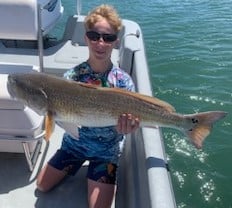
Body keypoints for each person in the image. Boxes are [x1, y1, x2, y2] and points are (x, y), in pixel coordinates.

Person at [36, 4, 140, 208]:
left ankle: (96, 174)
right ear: (86, 38)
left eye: (108, 38)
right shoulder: (71, 78)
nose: (100, 43)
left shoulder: (123, 82)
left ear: (115, 43)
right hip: (73, 148)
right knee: (41, 186)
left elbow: (130, 123)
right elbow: (59, 118)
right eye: (94, 36)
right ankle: (77, 168)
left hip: (106, 152)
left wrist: (129, 127)